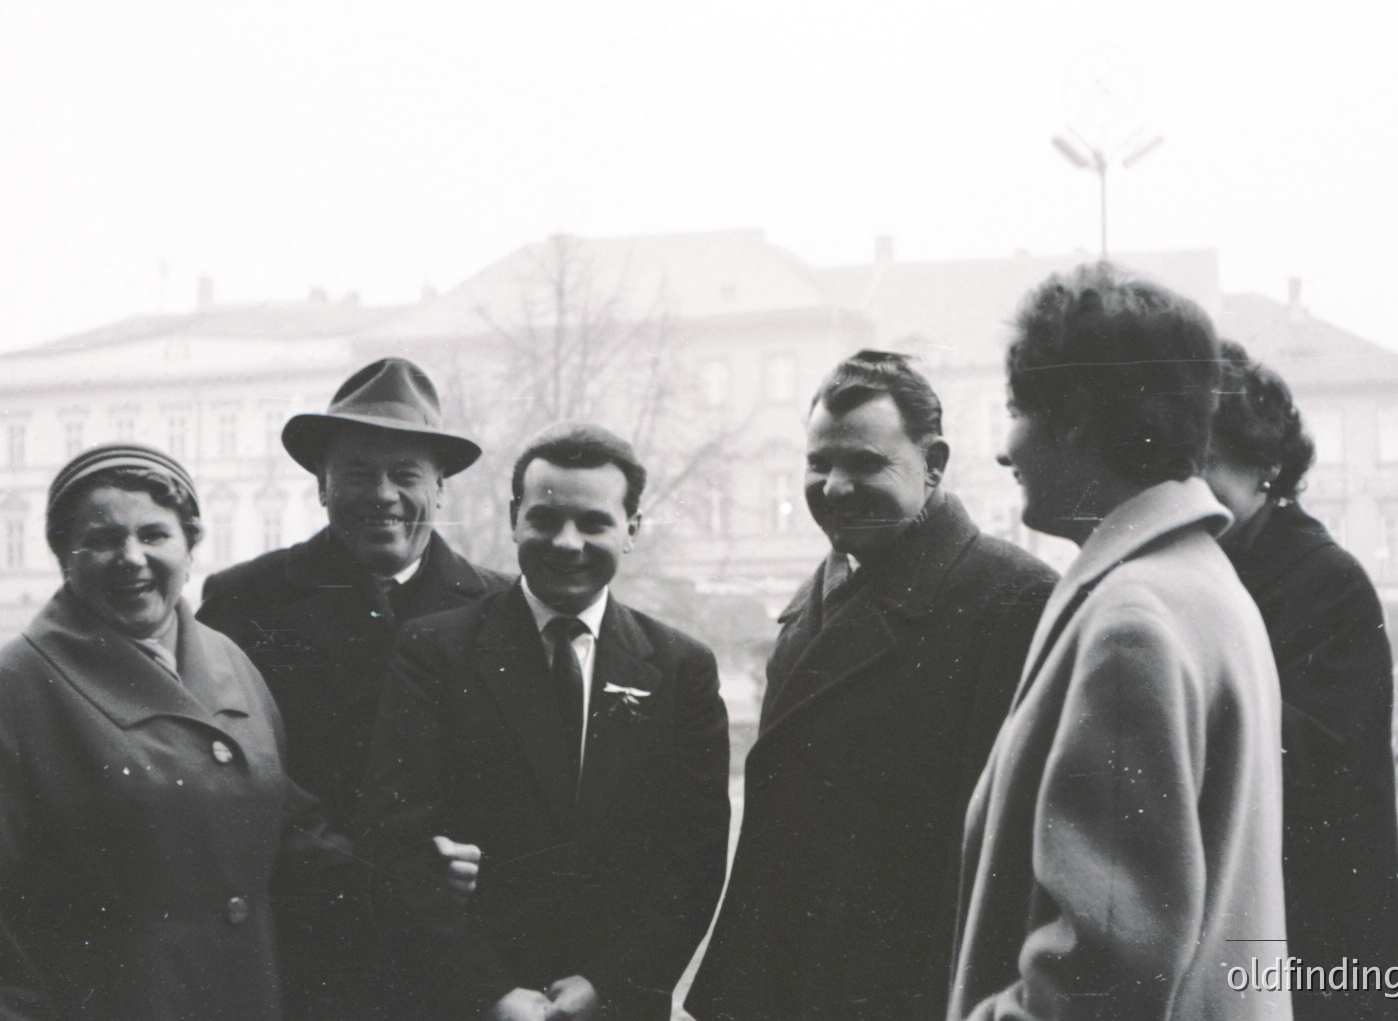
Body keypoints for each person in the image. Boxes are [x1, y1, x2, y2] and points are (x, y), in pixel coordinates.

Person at [949, 263, 1291, 1021]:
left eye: (1016, 411)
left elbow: (1100, 976)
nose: (1005, 449)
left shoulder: (1131, 619)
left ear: (1073, 418)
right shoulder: (1204, 584)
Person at [688, 351, 1056, 1021]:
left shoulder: (1012, 600)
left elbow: (1001, 862)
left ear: (933, 463)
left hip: (901, 991)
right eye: (818, 463)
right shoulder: (820, 594)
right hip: (790, 981)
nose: (834, 487)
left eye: (864, 463)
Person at [0, 444, 345, 1020]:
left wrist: (412, 872)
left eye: (154, 535)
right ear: (64, 556)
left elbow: (288, 828)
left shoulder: (230, 662)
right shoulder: (12, 692)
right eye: (102, 540)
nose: (131, 558)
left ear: (190, 546)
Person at [366, 423, 731, 1021]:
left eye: (594, 523)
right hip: (467, 1002)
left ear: (631, 529)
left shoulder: (680, 667)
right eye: (545, 519)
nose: (567, 543)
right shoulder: (435, 650)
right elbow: (398, 835)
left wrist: (608, 983)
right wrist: (488, 991)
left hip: (614, 1005)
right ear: (515, 520)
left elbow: (696, 857)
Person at [197, 357, 504, 1018]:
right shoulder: (246, 601)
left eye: (406, 474)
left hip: (455, 959)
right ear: (321, 485)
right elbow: (224, 771)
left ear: (441, 487)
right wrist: (381, 875)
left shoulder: (500, 610)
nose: (383, 495)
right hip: (304, 949)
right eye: (359, 474)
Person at [1203, 340, 1398, 1021]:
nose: (1187, 488)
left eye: (1206, 462)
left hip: (1317, 932)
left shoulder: (1327, 581)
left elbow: (1321, 760)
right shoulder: (1206, 565)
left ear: (1266, 464)